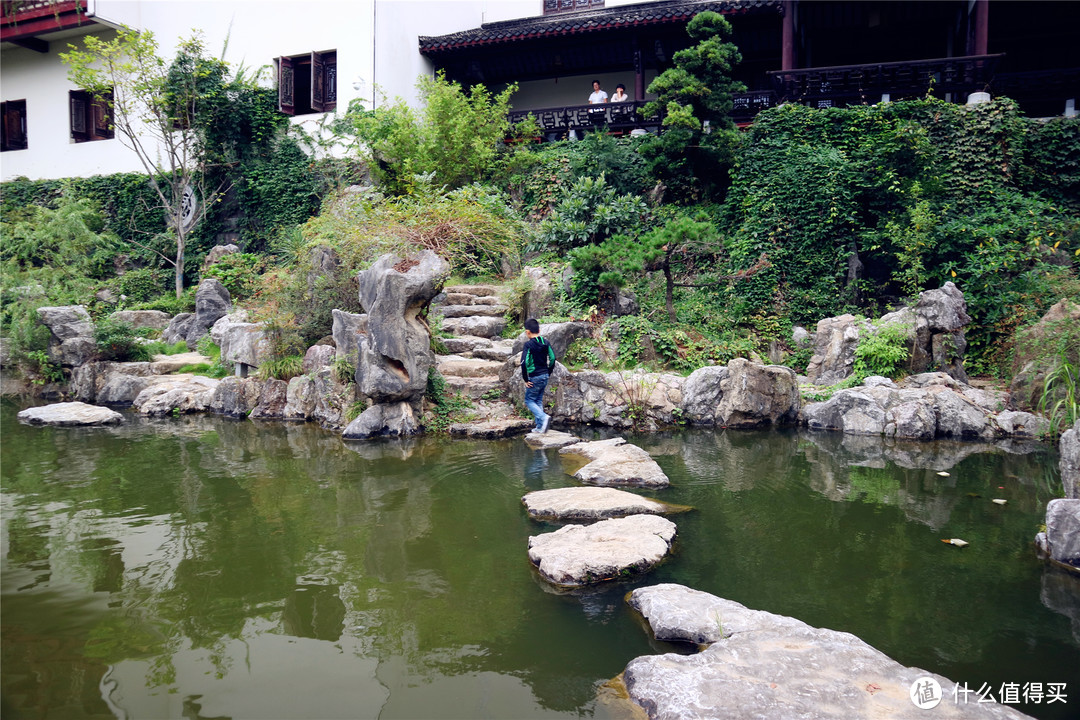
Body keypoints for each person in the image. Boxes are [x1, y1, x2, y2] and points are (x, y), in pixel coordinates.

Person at [520, 318, 556, 434]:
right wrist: (548, 372)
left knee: (529, 400)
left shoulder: (528, 345)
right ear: (539, 330)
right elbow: (553, 358)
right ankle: (540, 427)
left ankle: (543, 417)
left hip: (534, 376)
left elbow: (523, 362)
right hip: (545, 375)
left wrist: (525, 379)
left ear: (527, 332)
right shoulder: (546, 342)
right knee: (538, 400)